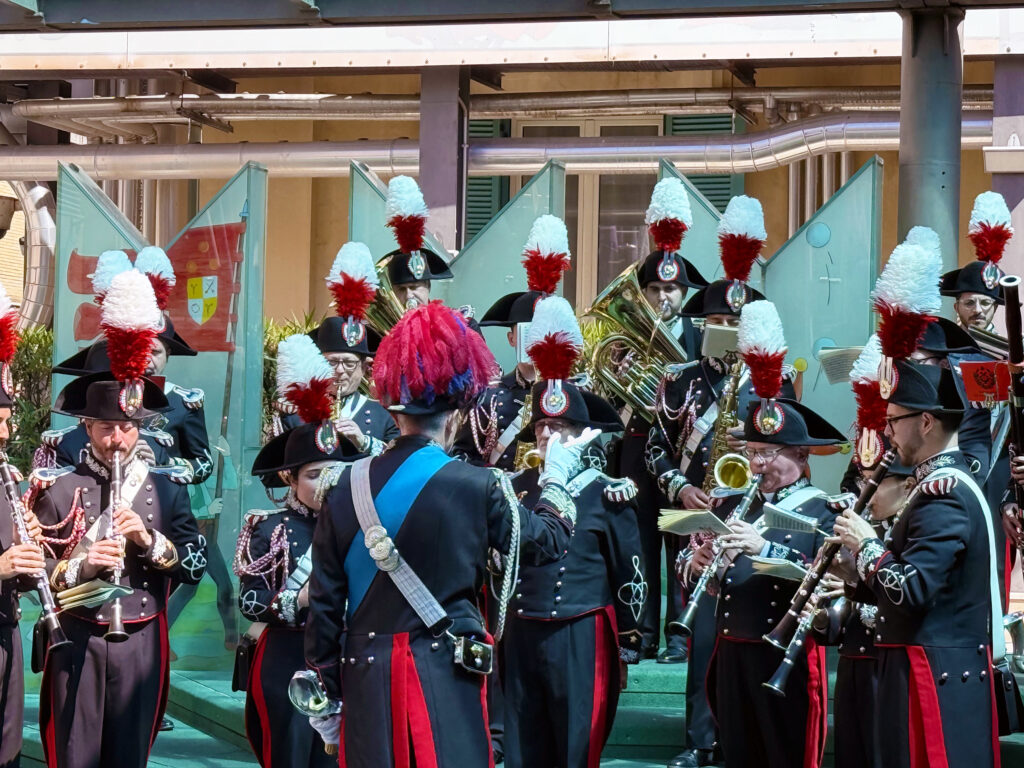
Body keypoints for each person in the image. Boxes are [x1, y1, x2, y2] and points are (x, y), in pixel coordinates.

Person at [304, 301, 598, 767]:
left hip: (364, 675)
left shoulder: (342, 485)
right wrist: (557, 476)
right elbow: (547, 543)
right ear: (459, 409)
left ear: (393, 411)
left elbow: (323, 604)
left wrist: (328, 697)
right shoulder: (480, 486)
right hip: (445, 672)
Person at [33, 270, 206, 768]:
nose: (118, 439)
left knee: (130, 753)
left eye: (128, 428)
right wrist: (84, 564)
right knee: (73, 751)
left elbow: (191, 563)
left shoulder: (166, 484)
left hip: (142, 636)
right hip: (78, 636)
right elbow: (36, 574)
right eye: (107, 427)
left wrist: (150, 541)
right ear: (87, 425)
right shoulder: (58, 484)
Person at [647, 196, 790, 768]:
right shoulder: (676, 380)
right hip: (695, 514)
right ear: (702, 325)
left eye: (736, 324)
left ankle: (743, 736)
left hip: (751, 518)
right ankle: (700, 738)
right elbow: (655, 448)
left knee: (745, 631)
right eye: (718, 323)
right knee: (704, 632)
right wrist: (680, 488)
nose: (726, 331)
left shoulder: (768, 386)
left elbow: (790, 455)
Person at [685, 300, 841, 768]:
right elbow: (692, 567)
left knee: (784, 755)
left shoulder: (825, 510)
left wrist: (764, 546)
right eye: (753, 452)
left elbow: (829, 581)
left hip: (784, 658)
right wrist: (696, 565)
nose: (758, 464)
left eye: (769, 454)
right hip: (732, 653)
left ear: (800, 455)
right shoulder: (733, 503)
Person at [834, 359, 1001, 768]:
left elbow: (911, 591)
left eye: (893, 420)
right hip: (920, 666)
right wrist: (854, 572)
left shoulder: (942, 493)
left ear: (926, 422)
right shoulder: (936, 486)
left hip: (931, 676)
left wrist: (867, 545)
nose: (887, 431)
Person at [502, 296, 644, 768]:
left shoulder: (607, 491)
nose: (549, 437)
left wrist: (628, 634)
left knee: (576, 743)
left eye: (561, 428)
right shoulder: (513, 488)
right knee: (523, 742)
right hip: (522, 629)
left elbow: (629, 569)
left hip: (581, 628)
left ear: (581, 435)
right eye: (543, 427)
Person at [236, 334, 367, 768]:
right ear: (291, 479)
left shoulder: (363, 525)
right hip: (286, 660)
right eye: (314, 474)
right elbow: (252, 603)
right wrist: (305, 597)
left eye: (336, 470)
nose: (327, 482)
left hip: (346, 662)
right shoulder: (268, 527)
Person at [621, 179, 708, 663]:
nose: (664, 297)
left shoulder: (701, 336)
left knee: (683, 538)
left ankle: (679, 634)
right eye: (655, 288)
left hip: (685, 452)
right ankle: (637, 634)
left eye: (672, 288)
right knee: (638, 541)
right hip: (636, 449)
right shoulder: (628, 337)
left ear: (684, 289)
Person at [455, 213, 572, 471]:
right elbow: (463, 456)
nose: (537, 340)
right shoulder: (490, 398)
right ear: (511, 338)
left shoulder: (572, 395)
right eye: (529, 332)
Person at [276, 241, 399, 454]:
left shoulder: (385, 415)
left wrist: (364, 442)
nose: (340, 370)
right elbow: (274, 474)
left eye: (349, 363)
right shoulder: (295, 412)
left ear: (365, 367)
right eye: (331, 362)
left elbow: (398, 462)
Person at [0, 283, 46, 768]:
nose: (6, 431)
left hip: (6, 631)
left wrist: (29, 542)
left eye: (9, 419)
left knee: (9, 751)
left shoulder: (6, 476)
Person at [939, 191, 1013, 333]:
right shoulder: (943, 349)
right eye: (969, 303)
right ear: (956, 307)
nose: (978, 310)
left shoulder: (1010, 351)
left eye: (985, 303)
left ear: (995, 307)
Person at [382, 175, 453, 311]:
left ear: (428, 287)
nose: (409, 296)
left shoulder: (454, 324)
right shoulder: (379, 331)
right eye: (401, 289)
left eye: (414, 287)